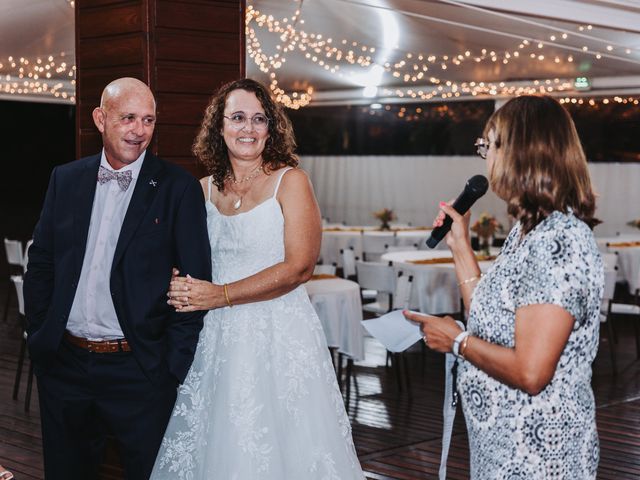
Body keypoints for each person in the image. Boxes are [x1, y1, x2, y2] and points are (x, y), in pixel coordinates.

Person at [151, 78, 365, 479]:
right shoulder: (201, 191)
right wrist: (179, 281)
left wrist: (222, 294)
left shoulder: (291, 181)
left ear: (271, 128)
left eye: (258, 119)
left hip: (278, 332)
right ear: (220, 127)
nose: (248, 128)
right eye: (237, 117)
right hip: (215, 336)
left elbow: (300, 267)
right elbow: (184, 258)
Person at [405, 95, 604, 479]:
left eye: (489, 145)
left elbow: (531, 372)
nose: (486, 157)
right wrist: (459, 244)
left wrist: (457, 342)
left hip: (541, 453)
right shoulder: (526, 233)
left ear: (521, 150)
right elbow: (485, 315)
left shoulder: (560, 241)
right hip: (501, 443)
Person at [23, 77, 212, 479]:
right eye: (128, 118)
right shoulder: (66, 178)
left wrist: (169, 368)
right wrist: (41, 335)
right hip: (65, 364)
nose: (139, 131)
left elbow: (195, 286)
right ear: (100, 118)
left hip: (140, 370)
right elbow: (41, 263)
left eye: (148, 120)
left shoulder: (178, 188)